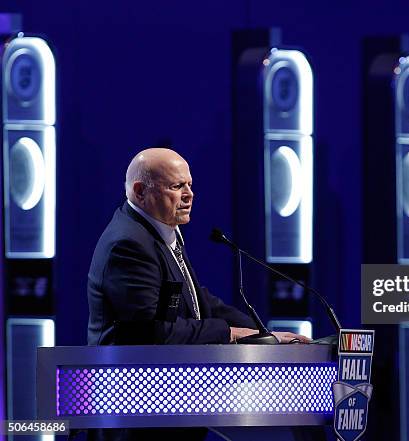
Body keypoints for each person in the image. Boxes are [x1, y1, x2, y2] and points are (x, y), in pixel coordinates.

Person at [86, 148, 309, 441]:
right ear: (140, 192)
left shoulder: (161, 231)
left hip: (169, 406)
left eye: (190, 185)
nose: (189, 195)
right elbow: (154, 332)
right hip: (136, 414)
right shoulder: (128, 245)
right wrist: (230, 334)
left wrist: (262, 335)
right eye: (177, 186)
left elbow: (196, 302)